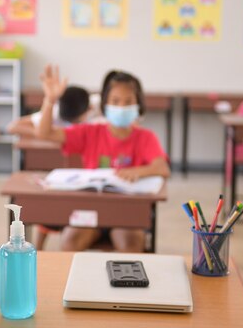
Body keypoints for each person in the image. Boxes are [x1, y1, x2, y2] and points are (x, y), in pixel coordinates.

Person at [36, 65, 170, 252]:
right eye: (115, 101)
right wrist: (50, 100)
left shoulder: (145, 137)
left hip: (127, 213)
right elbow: (44, 133)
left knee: (130, 246)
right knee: (69, 242)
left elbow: (162, 167)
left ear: (138, 104)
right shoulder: (91, 132)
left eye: (128, 101)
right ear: (105, 104)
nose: (121, 107)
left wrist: (139, 171)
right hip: (90, 211)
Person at [8, 85, 93, 137]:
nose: (74, 123)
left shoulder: (96, 109)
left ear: (89, 108)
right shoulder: (55, 112)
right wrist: (42, 132)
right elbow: (12, 127)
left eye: (76, 120)